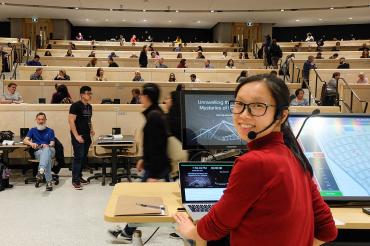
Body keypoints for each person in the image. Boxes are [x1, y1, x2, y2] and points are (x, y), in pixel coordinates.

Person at [173, 74, 337, 245]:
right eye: (239, 104)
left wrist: (191, 231)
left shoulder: (254, 162)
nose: (243, 115)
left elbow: (214, 227)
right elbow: (327, 230)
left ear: (282, 116)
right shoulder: (294, 155)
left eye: (258, 106)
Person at [108, 83, 171, 243]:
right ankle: (127, 232)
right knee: (142, 200)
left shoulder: (154, 116)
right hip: (155, 166)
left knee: (144, 201)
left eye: (141, 95)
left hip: (156, 168)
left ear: (147, 97)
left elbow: (159, 147)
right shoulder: (155, 114)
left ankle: (127, 233)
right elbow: (153, 144)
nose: (140, 98)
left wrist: (154, 174)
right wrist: (143, 158)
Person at [68, 86, 94, 190]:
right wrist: (76, 136)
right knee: (78, 157)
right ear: (82, 94)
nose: (90, 95)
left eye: (91, 93)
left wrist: (91, 129)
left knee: (83, 157)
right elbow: (71, 121)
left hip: (87, 135)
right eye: (88, 93)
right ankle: (75, 180)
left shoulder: (89, 106)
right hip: (78, 135)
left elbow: (89, 120)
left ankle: (79, 176)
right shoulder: (75, 106)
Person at [23, 112, 56, 191]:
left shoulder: (50, 130)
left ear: (45, 120)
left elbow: (52, 143)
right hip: (38, 151)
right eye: (39, 119)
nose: (41, 121)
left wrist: (48, 145)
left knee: (46, 150)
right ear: (36, 120)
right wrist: (31, 143)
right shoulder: (33, 130)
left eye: (43, 119)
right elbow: (25, 140)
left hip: (50, 150)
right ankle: (48, 180)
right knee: (46, 158)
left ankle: (41, 171)